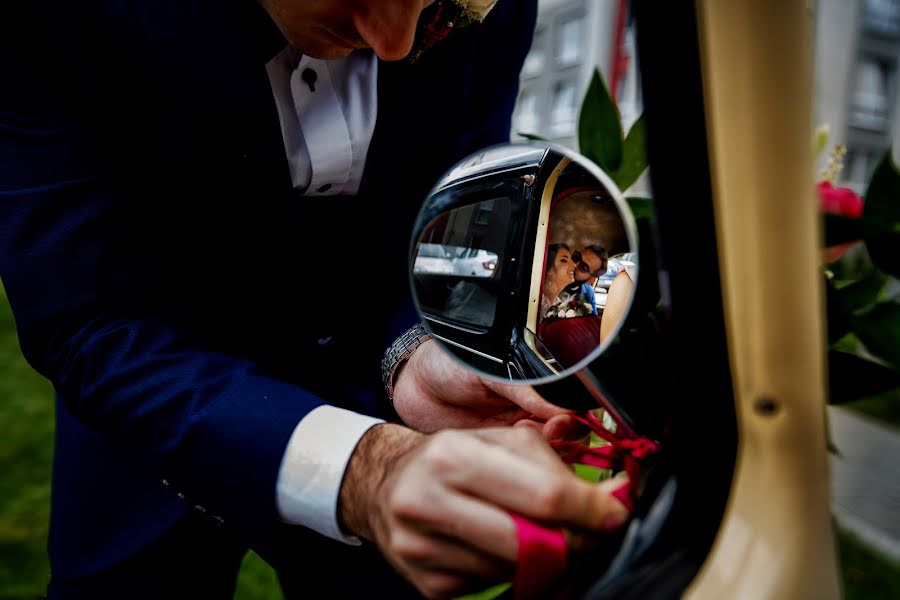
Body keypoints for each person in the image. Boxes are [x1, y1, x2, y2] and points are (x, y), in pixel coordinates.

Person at [0, 1, 629, 599]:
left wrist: (418, 348)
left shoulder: (490, 5)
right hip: (152, 409)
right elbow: (92, 317)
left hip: (392, 419)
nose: (396, 43)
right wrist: (365, 470)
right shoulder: (55, 18)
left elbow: (456, 217)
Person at [564, 244, 610, 316]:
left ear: (591, 279)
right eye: (576, 257)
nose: (575, 264)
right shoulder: (551, 274)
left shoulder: (589, 293)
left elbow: (591, 323)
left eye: (584, 267)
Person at [540, 243, 576, 319]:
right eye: (564, 260)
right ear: (549, 269)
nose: (574, 265)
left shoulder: (559, 303)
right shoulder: (539, 301)